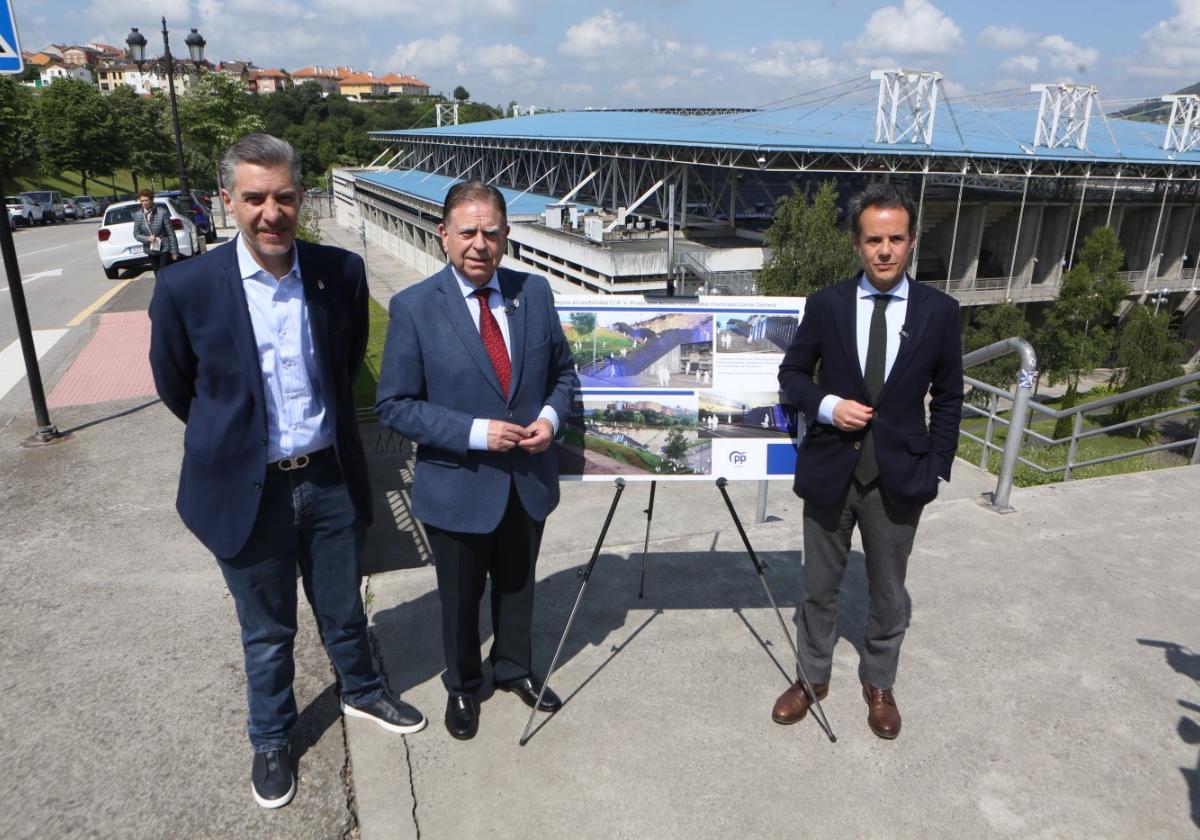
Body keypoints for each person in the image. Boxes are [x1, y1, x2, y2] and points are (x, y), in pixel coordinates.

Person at [148, 134, 425, 810]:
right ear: (228, 202)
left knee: (341, 609)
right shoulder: (186, 287)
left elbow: (346, 357)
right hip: (250, 489)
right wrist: (236, 443)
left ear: (301, 199)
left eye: (284, 197)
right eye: (254, 198)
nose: (271, 212)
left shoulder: (340, 273)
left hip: (329, 477)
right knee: (268, 630)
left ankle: (360, 691)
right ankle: (272, 735)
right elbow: (177, 386)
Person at [375, 180, 577, 741]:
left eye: (491, 232)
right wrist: (475, 432)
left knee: (518, 588)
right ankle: (463, 686)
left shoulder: (533, 293)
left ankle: (514, 668)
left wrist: (551, 419)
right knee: (460, 602)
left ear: (507, 236)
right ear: (443, 236)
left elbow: (563, 373)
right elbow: (393, 405)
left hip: (525, 484)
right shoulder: (415, 308)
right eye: (467, 232)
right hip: (458, 487)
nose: (479, 244)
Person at [774, 182, 963, 740]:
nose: (885, 250)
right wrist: (828, 406)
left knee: (887, 590)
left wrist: (936, 468)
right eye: (874, 239)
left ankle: (880, 683)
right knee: (818, 586)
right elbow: (791, 377)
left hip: (899, 478)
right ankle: (812, 678)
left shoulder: (939, 312)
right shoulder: (827, 305)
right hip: (832, 469)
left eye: (896, 239)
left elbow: (949, 398)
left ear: (911, 243)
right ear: (856, 244)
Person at [132, 189, 179, 275]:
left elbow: (171, 233)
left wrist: (174, 251)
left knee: (163, 272)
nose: (144, 203)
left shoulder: (162, 212)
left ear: (151, 200)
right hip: (151, 249)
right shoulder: (138, 215)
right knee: (157, 274)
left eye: (146, 200)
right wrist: (147, 239)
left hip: (164, 247)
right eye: (142, 201)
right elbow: (136, 234)